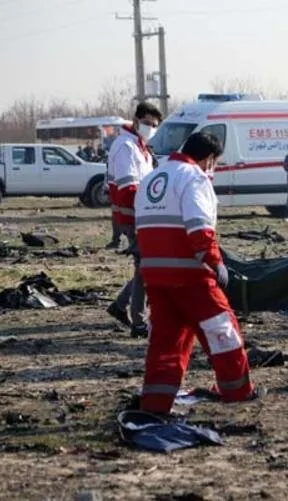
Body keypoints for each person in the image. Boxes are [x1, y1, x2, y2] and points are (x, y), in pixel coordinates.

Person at [134, 131, 259, 413]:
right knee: (223, 332)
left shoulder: (153, 177)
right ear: (209, 158)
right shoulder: (194, 177)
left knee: (165, 344)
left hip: (156, 276)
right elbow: (199, 228)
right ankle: (238, 391)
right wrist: (215, 262)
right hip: (192, 276)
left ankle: (155, 402)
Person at [106, 102, 162, 338]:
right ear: (136, 120)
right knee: (145, 269)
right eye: (148, 124)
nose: (151, 128)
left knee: (144, 268)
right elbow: (129, 188)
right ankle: (138, 322)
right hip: (133, 216)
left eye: (155, 126)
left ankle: (120, 306)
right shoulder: (125, 147)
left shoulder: (141, 147)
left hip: (142, 215)